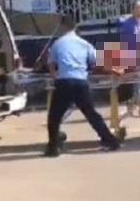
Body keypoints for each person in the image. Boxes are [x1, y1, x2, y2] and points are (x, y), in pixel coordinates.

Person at [45, 15, 120, 157]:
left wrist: (55, 76)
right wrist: (115, 70)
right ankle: (110, 141)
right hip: (80, 82)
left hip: (64, 82)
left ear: (62, 27)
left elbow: (51, 65)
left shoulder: (57, 44)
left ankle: (53, 147)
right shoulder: (84, 44)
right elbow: (98, 63)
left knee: (54, 116)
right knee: (91, 113)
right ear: (75, 27)